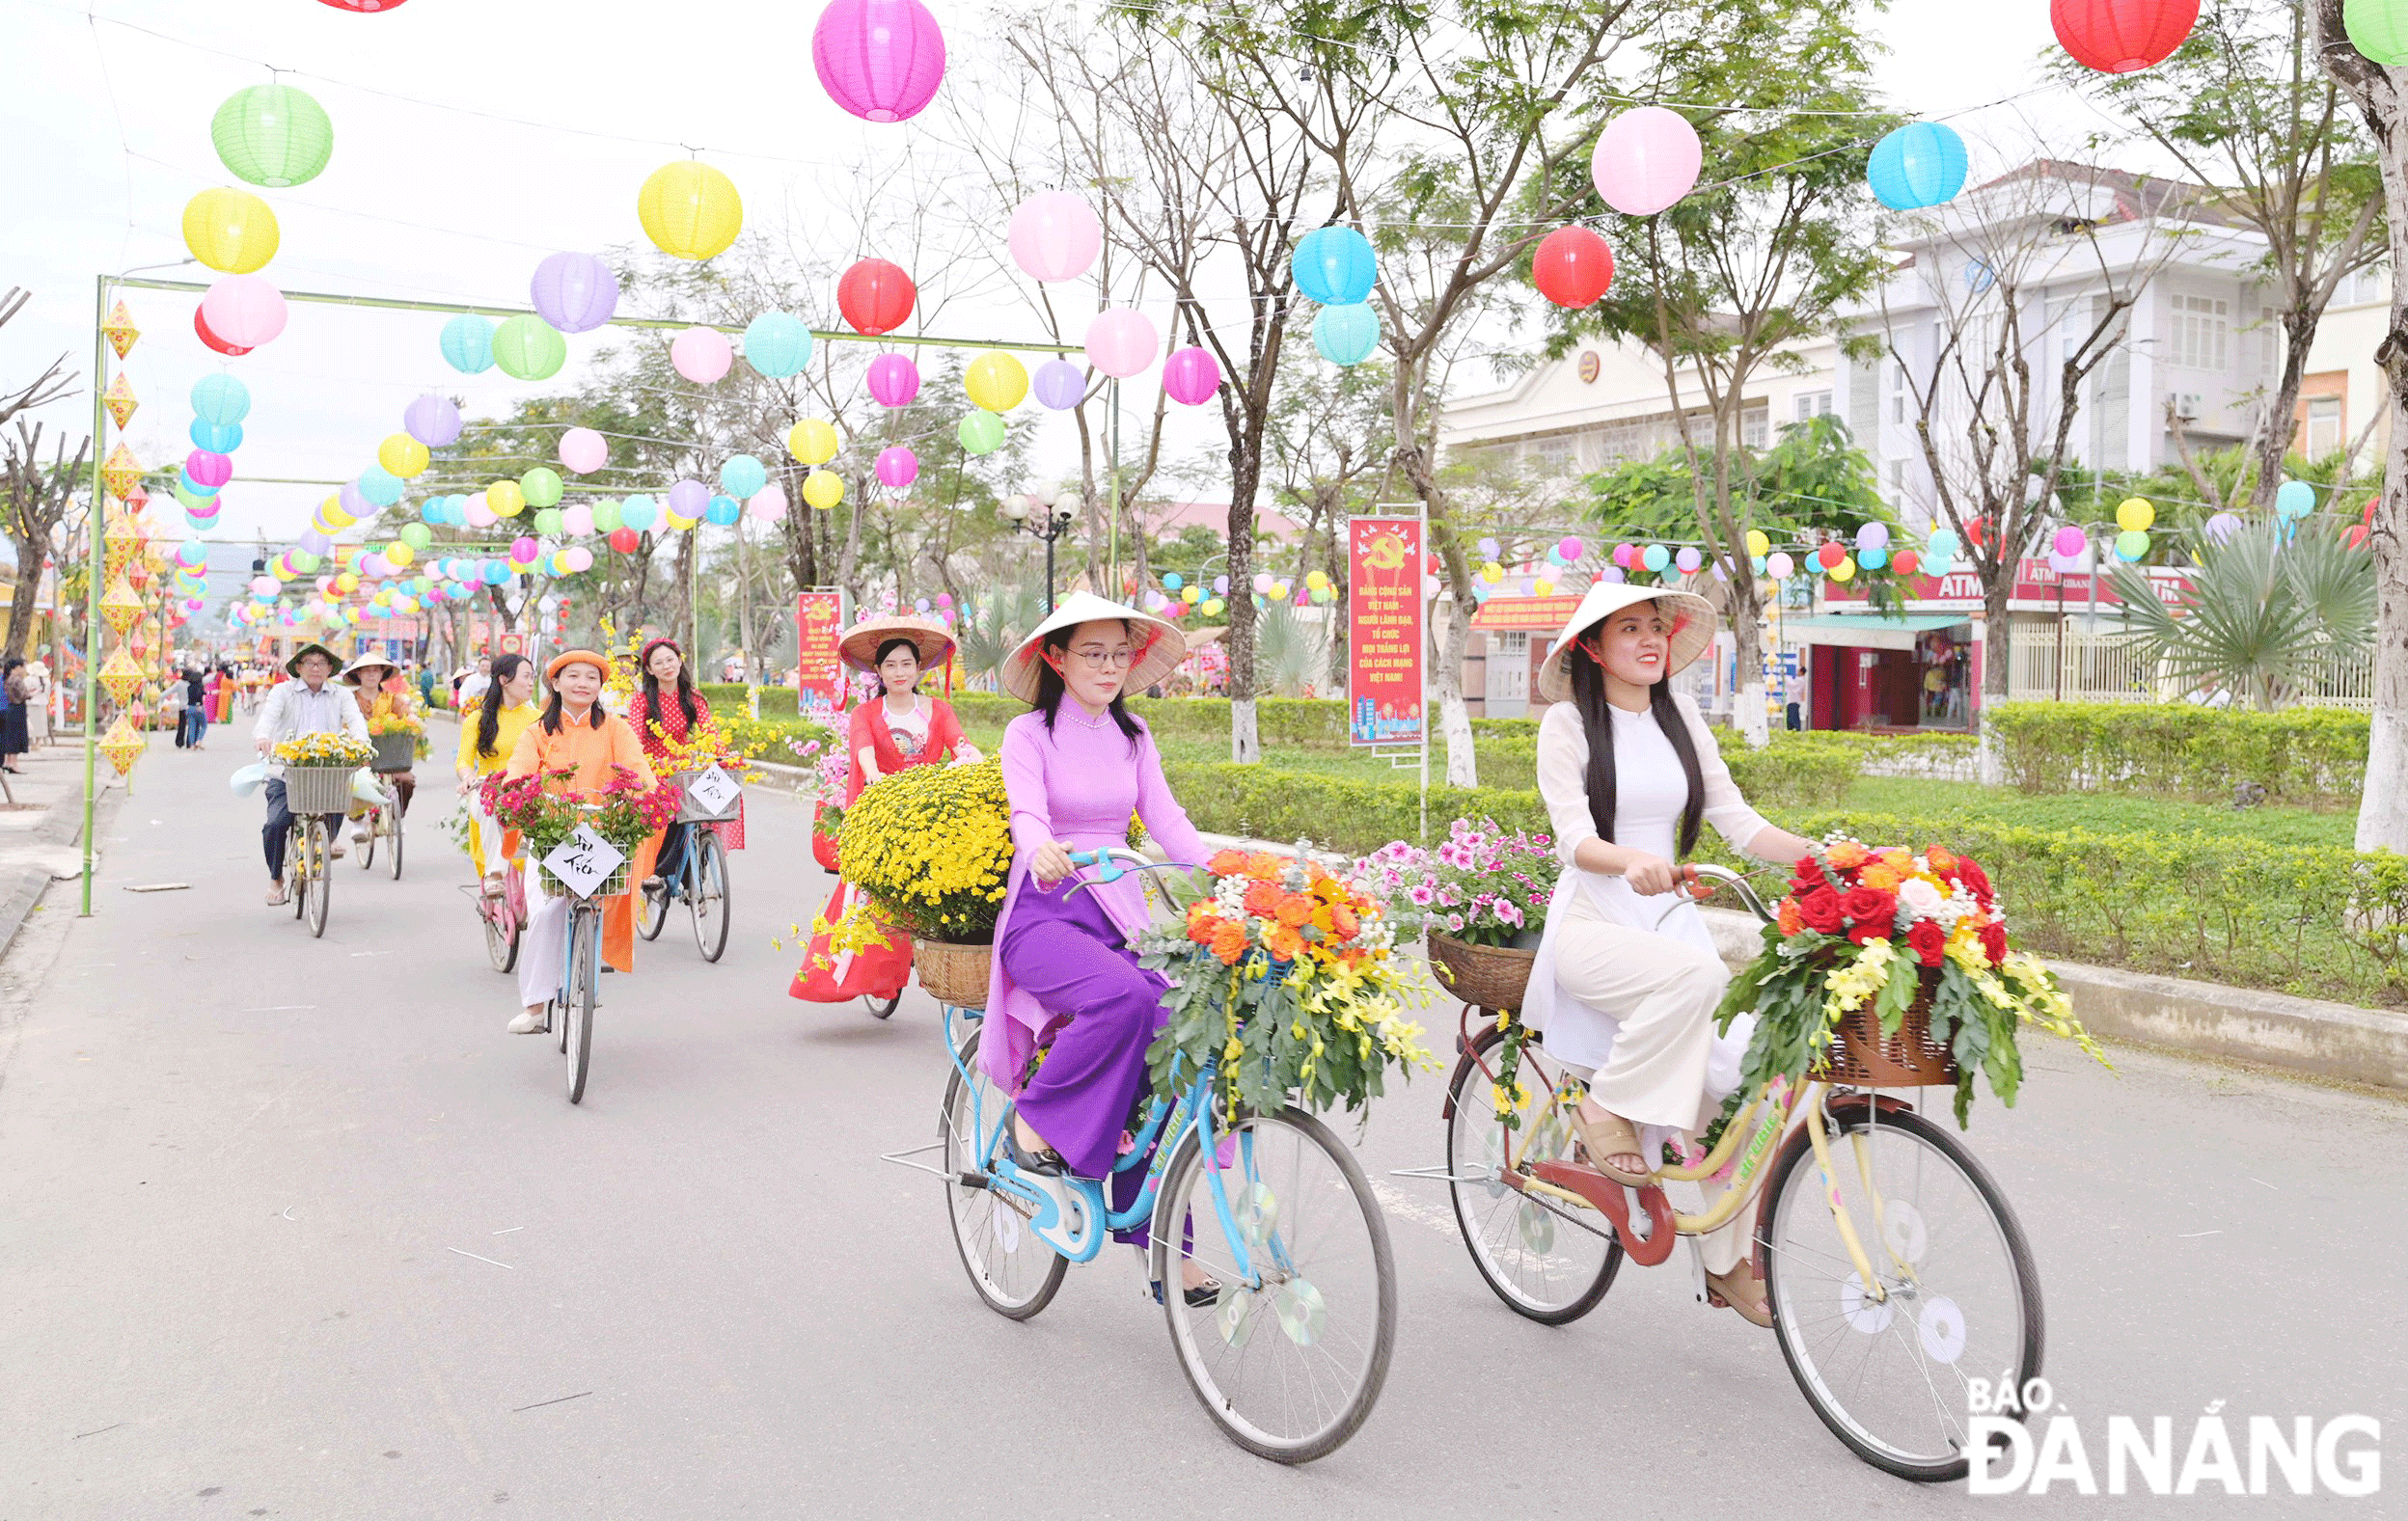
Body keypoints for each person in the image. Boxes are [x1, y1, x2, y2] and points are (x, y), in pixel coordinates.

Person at [1520, 584, 1816, 1328]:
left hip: (1668, 927)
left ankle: (1723, 1260)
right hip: (1593, 923)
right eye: (1630, 628)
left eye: (1657, 627)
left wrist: (1825, 857)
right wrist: (1627, 862)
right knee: (1702, 974)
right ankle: (1604, 1105)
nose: (1651, 639)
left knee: (1752, 1075)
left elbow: (1739, 821)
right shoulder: (1566, 724)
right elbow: (1573, 838)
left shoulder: (1681, 717)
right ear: (1592, 646)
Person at [976, 592, 1212, 1295]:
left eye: (1119, 653)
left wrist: (1230, 874)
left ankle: (1163, 1238)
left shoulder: (1134, 735)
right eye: (1092, 653)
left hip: (1119, 907)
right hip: (1045, 911)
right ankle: (1034, 1116)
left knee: (1176, 1026)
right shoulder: (1029, 734)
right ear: (1055, 656)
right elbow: (1026, 810)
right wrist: (1042, 844)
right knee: (1124, 997)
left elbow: (1167, 819)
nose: (1109, 667)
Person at [788, 616, 977, 1005]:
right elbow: (863, 750)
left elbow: (963, 747)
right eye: (890, 665)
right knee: (870, 894)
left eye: (906, 663)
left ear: (918, 668)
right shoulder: (867, 713)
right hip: (885, 811)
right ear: (877, 671)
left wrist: (980, 763)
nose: (899, 672)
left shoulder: (939, 710)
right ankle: (867, 972)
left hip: (930, 812)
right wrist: (875, 777)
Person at [500, 650, 659, 1035]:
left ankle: (587, 953)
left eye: (591, 677)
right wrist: (517, 792)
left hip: (605, 832)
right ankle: (536, 1007)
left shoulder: (616, 728)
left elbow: (639, 769)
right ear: (555, 683)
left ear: (600, 686)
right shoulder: (537, 732)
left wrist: (643, 794)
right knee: (545, 911)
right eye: (573, 676)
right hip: (551, 835)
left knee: (598, 899)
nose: (582, 683)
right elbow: (518, 772)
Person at [254, 641, 369, 905]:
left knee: (341, 790)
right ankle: (276, 878)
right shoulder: (283, 692)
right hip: (288, 771)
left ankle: (329, 838)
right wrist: (263, 737)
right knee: (275, 824)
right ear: (299, 667)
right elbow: (268, 718)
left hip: (326, 770)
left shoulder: (341, 695)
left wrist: (361, 743)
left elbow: (355, 721)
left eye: (321, 663)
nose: (316, 668)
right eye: (310, 663)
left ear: (330, 668)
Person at [631, 638, 745, 895]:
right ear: (649, 669)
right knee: (668, 812)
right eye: (658, 663)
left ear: (680, 661)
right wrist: (646, 762)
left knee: (709, 803)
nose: (666, 666)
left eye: (670, 660)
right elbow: (635, 738)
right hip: (654, 770)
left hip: (684, 767)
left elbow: (710, 732)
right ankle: (657, 869)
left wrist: (723, 756)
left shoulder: (693, 697)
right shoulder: (642, 701)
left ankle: (697, 864)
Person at [455, 652, 539, 889]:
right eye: (526, 676)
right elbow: (463, 760)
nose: (531, 682)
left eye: (533, 677)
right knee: (488, 804)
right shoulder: (478, 719)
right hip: (489, 788)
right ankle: (495, 873)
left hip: (528, 791)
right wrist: (468, 777)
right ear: (504, 680)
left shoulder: (539, 719)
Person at [342, 653, 417, 839]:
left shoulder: (393, 699)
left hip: (388, 756)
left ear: (382, 674)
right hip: (360, 756)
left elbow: (407, 716)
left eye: (375, 670)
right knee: (351, 780)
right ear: (358, 674)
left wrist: (414, 721)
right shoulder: (350, 700)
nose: (371, 675)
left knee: (407, 780)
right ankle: (358, 820)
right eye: (366, 671)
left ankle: (397, 816)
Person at [178, 664, 209, 750]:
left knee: (192, 726)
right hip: (198, 707)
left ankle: (192, 745)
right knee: (204, 725)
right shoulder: (200, 687)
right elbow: (199, 696)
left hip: (190, 708)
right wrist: (199, 704)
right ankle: (199, 740)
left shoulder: (189, 687)